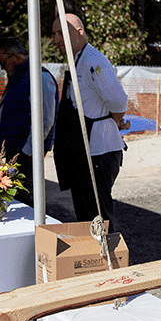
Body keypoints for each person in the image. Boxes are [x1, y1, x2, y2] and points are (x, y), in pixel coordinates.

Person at [51, 13, 128, 227]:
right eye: (54, 34)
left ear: (79, 32)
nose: (56, 40)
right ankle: (92, 249)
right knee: (86, 215)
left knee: (98, 216)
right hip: (83, 152)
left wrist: (115, 121)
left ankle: (108, 249)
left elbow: (119, 100)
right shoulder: (77, 60)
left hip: (98, 153)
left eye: (61, 33)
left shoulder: (93, 60)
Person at [0, 37, 59, 207]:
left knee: (23, 202)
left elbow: (45, 120)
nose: (2, 68)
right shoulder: (18, 78)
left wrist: (26, 152)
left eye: (2, 63)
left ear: (15, 57)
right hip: (11, 151)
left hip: (24, 154)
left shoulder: (39, 77)